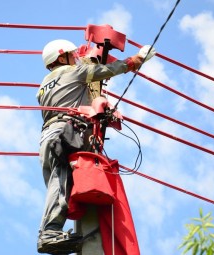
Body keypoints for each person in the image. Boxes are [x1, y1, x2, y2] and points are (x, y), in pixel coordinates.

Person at [36, 39, 155, 254]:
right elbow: (105, 70)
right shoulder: (72, 73)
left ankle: (53, 229)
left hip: (47, 137)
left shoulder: (44, 85)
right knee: (61, 181)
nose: (75, 58)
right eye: (72, 55)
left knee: (58, 183)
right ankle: (49, 232)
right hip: (64, 132)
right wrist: (134, 61)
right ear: (61, 57)